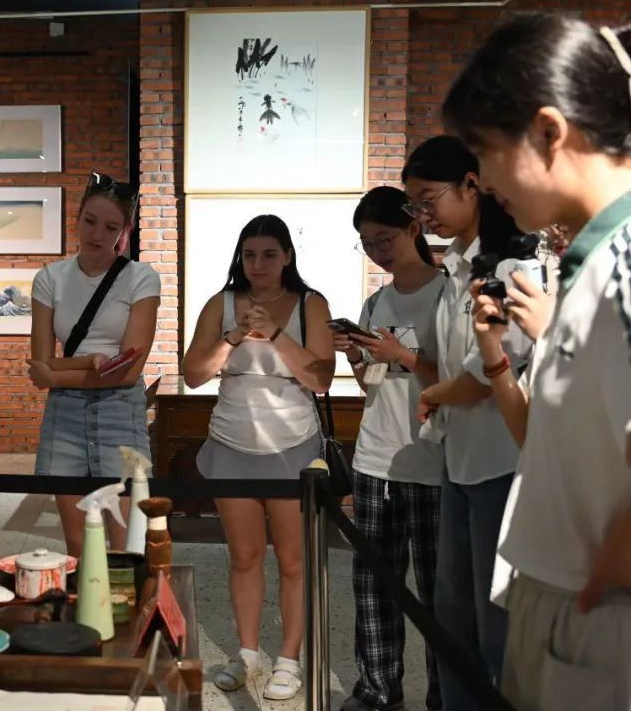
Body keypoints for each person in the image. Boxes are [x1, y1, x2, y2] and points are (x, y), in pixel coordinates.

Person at [443, 14, 631, 710]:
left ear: (551, 132)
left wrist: (611, 572)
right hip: (560, 595)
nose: (486, 180)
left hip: (594, 611)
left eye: (488, 152)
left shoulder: (622, 263)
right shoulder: (591, 262)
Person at [182, 215, 335, 701]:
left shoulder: (311, 303)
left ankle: (289, 658)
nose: (258, 264)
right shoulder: (222, 302)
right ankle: (247, 652)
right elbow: (193, 374)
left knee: (293, 560)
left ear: (287, 256)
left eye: (269, 254)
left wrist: (274, 333)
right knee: (244, 556)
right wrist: (232, 337)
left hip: (293, 444)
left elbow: (321, 378)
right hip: (232, 441)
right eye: (249, 255)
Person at [402, 135, 531, 711]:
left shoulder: (512, 266)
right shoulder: (456, 266)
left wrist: (434, 391)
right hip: (460, 459)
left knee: (495, 618)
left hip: (502, 462)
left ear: (472, 185)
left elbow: (488, 371)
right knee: (454, 616)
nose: (422, 216)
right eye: (414, 205)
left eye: (428, 200)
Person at [334, 187, 445, 711]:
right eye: (368, 243)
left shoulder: (449, 295)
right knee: (375, 585)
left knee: (439, 593)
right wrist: (357, 357)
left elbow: (463, 378)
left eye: (385, 240)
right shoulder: (377, 302)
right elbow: (373, 385)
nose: (378, 252)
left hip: (433, 460)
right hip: (375, 457)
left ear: (413, 230)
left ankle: (446, 694)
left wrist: (402, 353)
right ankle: (379, 689)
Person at [26, 172, 160, 557]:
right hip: (65, 415)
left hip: (120, 412)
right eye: (90, 221)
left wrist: (60, 373)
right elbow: (40, 369)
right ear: (78, 217)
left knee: (128, 546)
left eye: (110, 227)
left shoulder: (140, 278)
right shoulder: (50, 278)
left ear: (124, 230)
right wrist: (92, 363)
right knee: (77, 546)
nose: (97, 234)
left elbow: (128, 372)